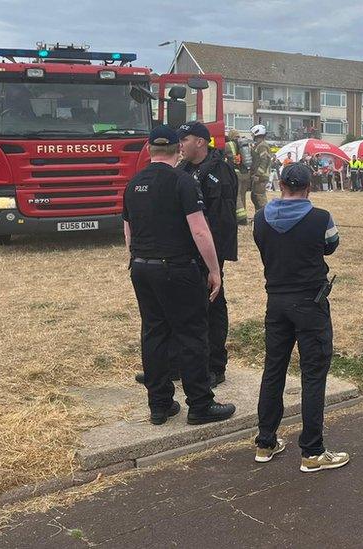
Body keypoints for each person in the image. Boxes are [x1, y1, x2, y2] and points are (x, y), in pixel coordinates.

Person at [122, 125, 236, 426]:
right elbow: (199, 229)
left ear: (149, 150)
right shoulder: (182, 181)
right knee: (191, 333)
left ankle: (159, 404)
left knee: (154, 332)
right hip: (177, 267)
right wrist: (213, 269)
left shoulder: (133, 183)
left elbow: (128, 230)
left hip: (142, 266)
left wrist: (135, 259)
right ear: (177, 150)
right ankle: (200, 404)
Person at [252, 162, 349, 473]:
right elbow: (331, 247)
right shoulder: (320, 217)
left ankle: (265, 442)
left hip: (276, 301)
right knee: (313, 374)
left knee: (273, 370)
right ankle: (312, 450)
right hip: (310, 302)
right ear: (309, 187)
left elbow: (263, 247)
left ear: (280, 185)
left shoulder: (260, 218)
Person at [178, 121, 239, 388]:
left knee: (212, 307)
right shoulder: (183, 169)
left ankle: (215, 365)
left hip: (207, 252)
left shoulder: (219, 171)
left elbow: (221, 220)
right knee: (185, 309)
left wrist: (213, 257)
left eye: (185, 139)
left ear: (200, 142)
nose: (180, 145)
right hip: (182, 252)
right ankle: (184, 362)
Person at [224, 129, 250, 225]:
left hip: (234, 172)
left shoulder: (228, 145)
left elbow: (221, 154)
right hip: (245, 173)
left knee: (237, 195)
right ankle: (244, 215)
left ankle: (241, 219)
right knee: (242, 195)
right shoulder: (244, 145)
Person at [246, 124, 271, 218]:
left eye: (253, 134)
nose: (252, 136)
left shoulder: (262, 146)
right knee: (255, 197)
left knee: (260, 197)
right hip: (259, 175)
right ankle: (259, 216)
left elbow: (264, 160)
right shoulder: (258, 145)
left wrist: (258, 174)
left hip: (261, 176)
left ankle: (265, 217)